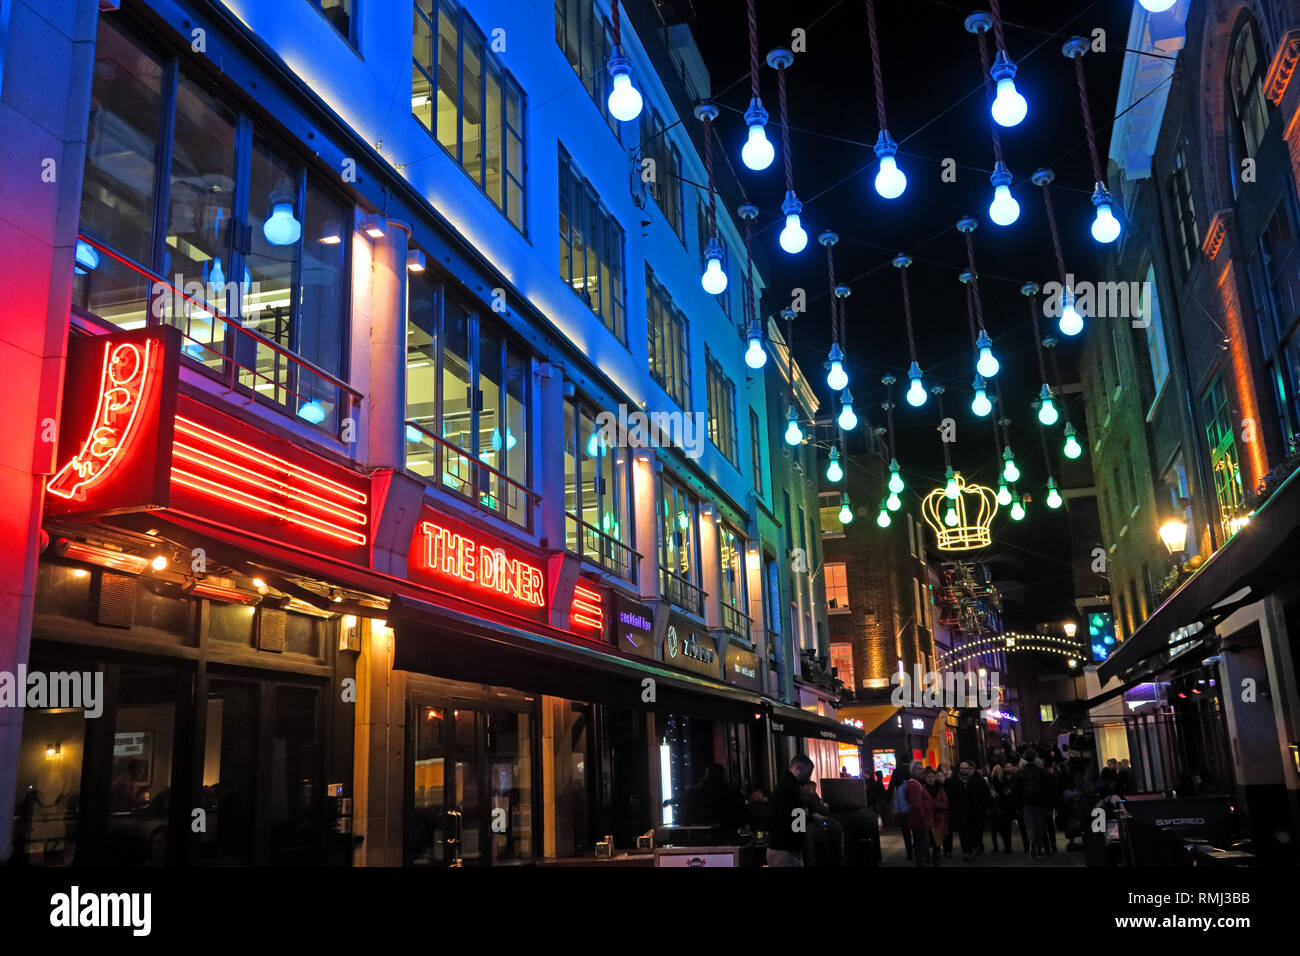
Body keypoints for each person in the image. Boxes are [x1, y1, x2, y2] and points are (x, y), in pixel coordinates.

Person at [767, 755, 814, 867]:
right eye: (807, 774)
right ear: (797, 770)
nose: (809, 778)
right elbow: (794, 820)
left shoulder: (786, 787)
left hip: (782, 847)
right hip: (785, 850)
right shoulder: (790, 790)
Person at [946, 760, 990, 859]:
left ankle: (974, 846)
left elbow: (982, 795)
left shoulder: (975, 780)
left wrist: (982, 807)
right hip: (960, 811)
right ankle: (966, 851)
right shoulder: (954, 781)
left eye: (965, 768)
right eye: (961, 768)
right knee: (963, 833)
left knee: (972, 831)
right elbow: (951, 797)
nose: (963, 770)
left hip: (973, 811)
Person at [1015, 748, 1050, 859]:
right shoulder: (1041, 772)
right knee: (1040, 826)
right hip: (1040, 803)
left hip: (1026, 803)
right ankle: (1039, 847)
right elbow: (1047, 789)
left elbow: (1016, 790)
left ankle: (1031, 841)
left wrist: (1017, 805)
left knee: (1029, 825)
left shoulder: (1020, 773)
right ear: (1035, 758)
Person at [902, 760, 934, 867]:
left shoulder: (917, 783)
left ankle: (922, 862)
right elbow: (916, 805)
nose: (922, 771)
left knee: (922, 844)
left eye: (922, 768)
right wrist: (923, 819)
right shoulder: (914, 784)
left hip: (919, 821)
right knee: (922, 845)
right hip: (919, 822)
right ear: (913, 771)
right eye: (920, 769)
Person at [924, 767, 948, 865]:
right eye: (928, 777)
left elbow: (945, 803)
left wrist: (935, 804)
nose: (931, 779)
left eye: (932, 776)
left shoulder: (940, 789)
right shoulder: (923, 789)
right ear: (925, 778)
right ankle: (927, 857)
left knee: (936, 840)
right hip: (927, 818)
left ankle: (936, 857)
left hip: (938, 818)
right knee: (927, 839)